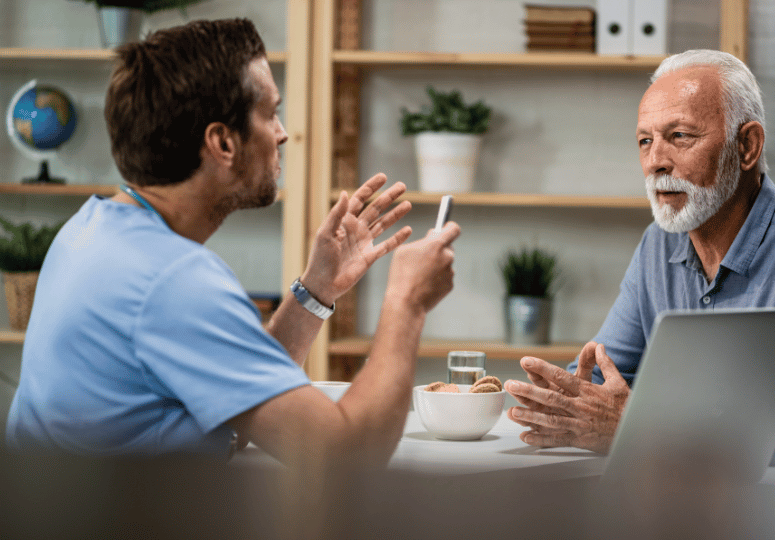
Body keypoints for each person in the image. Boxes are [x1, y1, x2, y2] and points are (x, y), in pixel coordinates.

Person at [5, 18, 460, 470]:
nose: (283, 133)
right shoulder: (173, 280)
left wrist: (317, 289)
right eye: (271, 113)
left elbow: (242, 389)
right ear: (223, 142)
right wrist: (406, 302)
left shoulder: (91, 229)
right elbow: (345, 458)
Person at [505, 49, 775, 474]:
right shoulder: (658, 244)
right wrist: (559, 400)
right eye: (645, 141)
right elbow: (599, 379)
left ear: (747, 146)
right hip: (691, 497)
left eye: (680, 136)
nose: (656, 162)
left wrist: (645, 429)